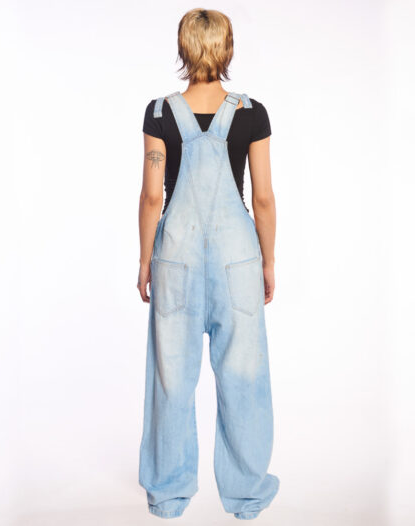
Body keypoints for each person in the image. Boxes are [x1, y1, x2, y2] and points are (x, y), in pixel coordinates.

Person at [137, 8, 279, 520]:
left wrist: (144, 261)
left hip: (175, 257)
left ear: (183, 49)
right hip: (237, 260)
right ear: (227, 48)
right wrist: (267, 262)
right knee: (243, 375)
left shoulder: (159, 113)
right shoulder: (252, 114)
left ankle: (168, 495)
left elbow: (153, 196)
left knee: (171, 377)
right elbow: (262, 199)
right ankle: (246, 495)